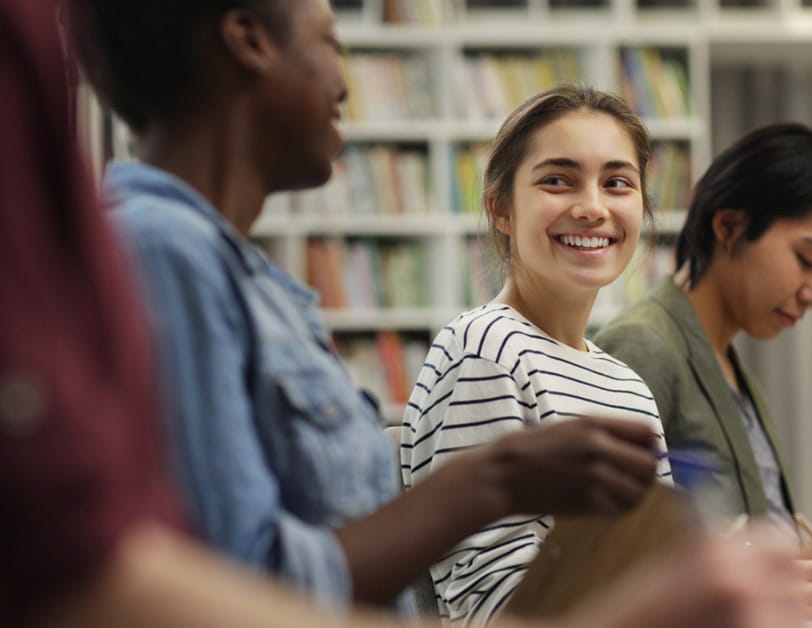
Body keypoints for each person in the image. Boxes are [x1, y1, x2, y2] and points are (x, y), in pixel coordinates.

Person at [63, 0, 668, 614]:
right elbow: (237, 583)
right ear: (249, 42)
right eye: (329, 42)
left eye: (618, 182)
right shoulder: (164, 252)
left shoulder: (253, 286)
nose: (346, 82)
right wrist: (492, 480)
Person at [398, 87, 812, 626]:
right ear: (501, 208)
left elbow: (654, 570)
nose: (592, 208)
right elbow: (490, 612)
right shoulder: (485, 350)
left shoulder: (625, 383)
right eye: (557, 180)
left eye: (617, 183)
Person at [593, 122, 812, 568]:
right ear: (730, 225)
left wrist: (796, 554)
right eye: (807, 261)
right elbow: (610, 546)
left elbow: (724, 532)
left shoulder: (727, 359)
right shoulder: (643, 345)